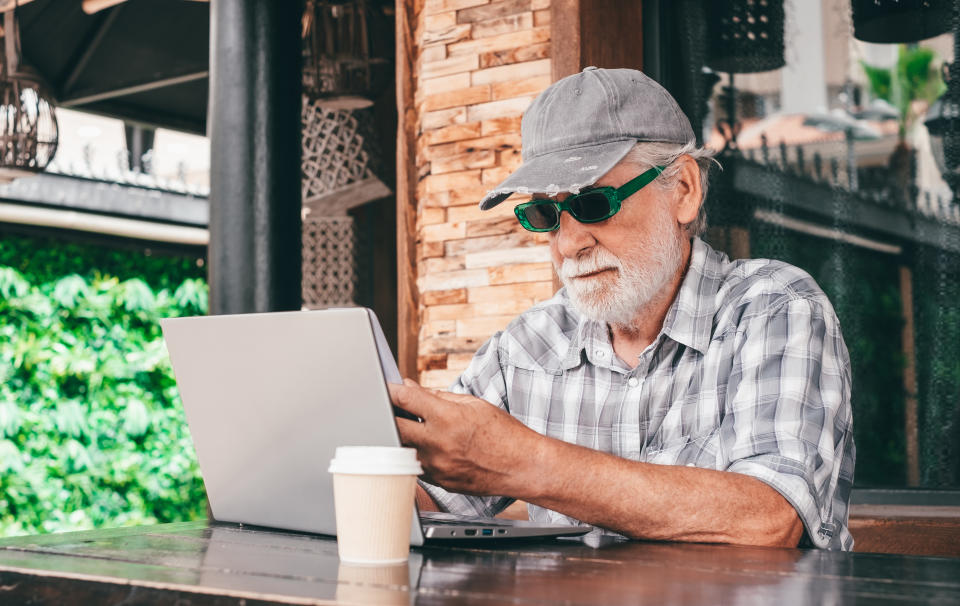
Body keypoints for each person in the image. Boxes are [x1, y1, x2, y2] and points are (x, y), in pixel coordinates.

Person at [389, 67, 855, 550]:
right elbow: (428, 502)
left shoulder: (774, 309)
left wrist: (525, 461)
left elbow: (769, 519)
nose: (568, 244)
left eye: (594, 204)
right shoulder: (526, 346)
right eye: (545, 214)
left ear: (684, 191)